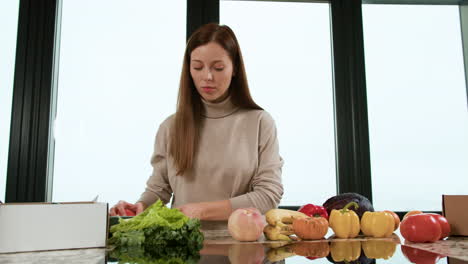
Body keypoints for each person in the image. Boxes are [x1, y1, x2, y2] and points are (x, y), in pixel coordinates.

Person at [109, 23, 283, 223]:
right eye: (198, 67)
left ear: (234, 68)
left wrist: (202, 211)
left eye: (218, 68)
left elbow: (268, 196)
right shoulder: (170, 127)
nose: (207, 77)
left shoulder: (260, 123)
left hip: (245, 247)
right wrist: (140, 207)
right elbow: (159, 188)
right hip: (182, 248)